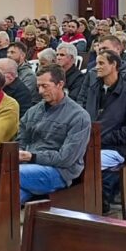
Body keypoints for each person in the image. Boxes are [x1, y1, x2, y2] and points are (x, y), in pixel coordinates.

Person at [17, 64, 92, 204]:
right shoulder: (33, 111)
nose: (40, 91)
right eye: (38, 86)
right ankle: (0, 224)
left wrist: (32, 156)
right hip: (28, 164)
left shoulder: (78, 116)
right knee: (8, 193)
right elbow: (21, 139)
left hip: (60, 172)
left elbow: (66, 159)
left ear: (60, 84)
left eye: (45, 86)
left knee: (9, 176)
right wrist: (20, 153)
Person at [82, 50, 126, 210]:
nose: (96, 67)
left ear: (114, 65)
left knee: (88, 162)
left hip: (114, 148)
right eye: (96, 63)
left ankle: (97, 202)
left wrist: (104, 138)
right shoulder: (94, 89)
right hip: (90, 145)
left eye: (101, 63)